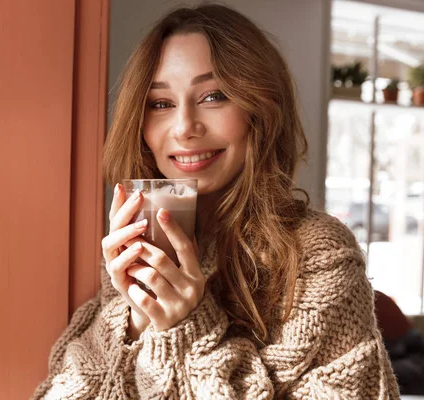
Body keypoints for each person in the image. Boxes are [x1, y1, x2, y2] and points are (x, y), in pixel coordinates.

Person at [31, 4, 400, 399]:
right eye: (161, 103)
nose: (185, 127)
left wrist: (188, 328)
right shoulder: (141, 245)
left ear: (260, 109)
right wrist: (137, 319)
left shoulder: (318, 255)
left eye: (213, 96)